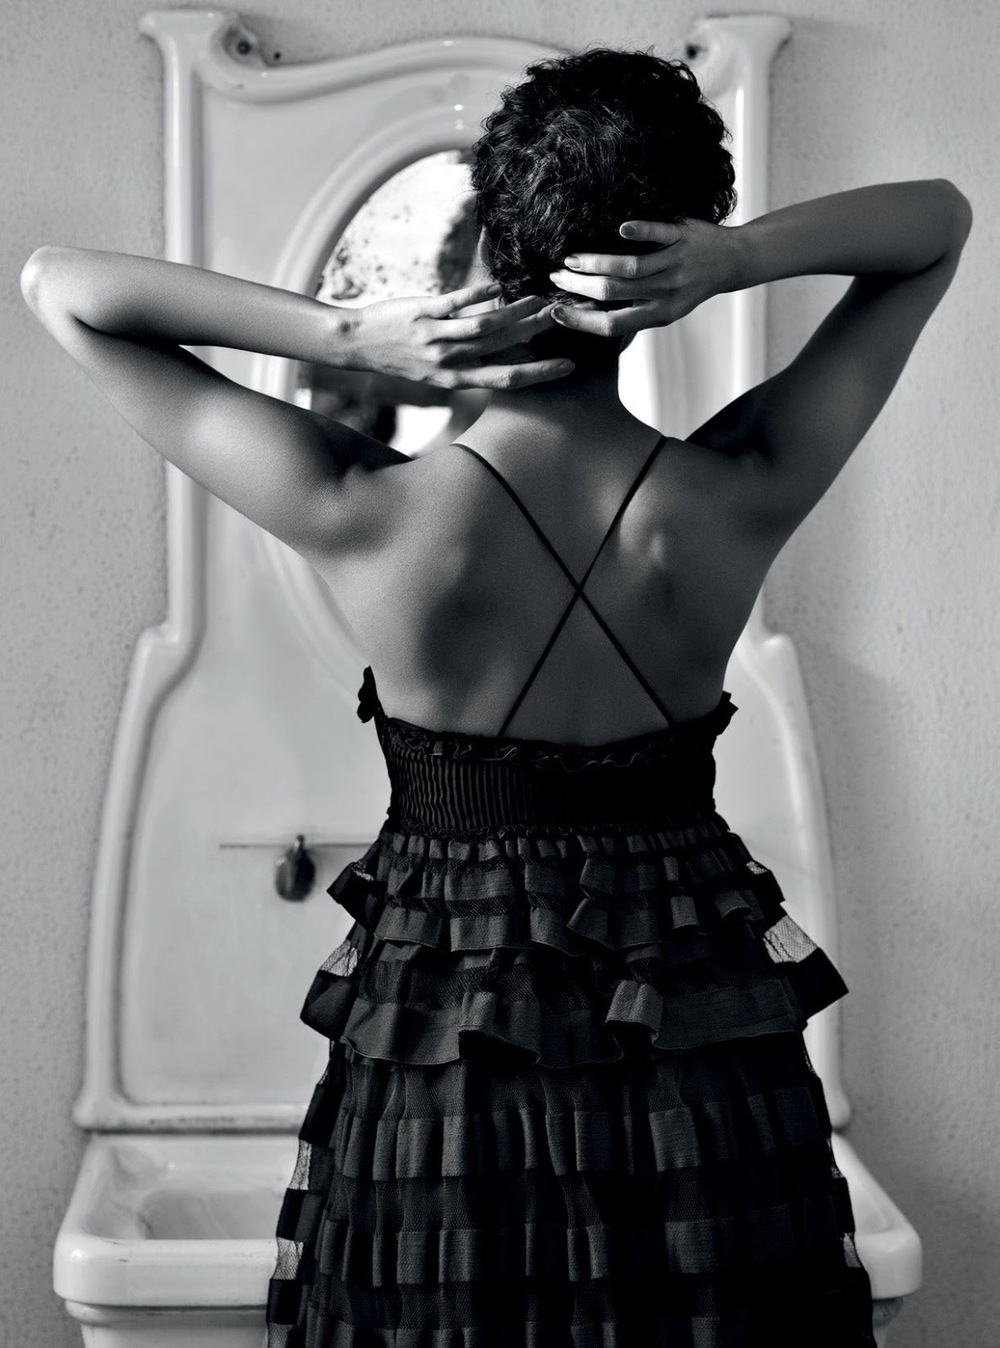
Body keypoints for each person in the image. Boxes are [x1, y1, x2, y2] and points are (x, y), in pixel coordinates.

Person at [22, 44, 971, 1348]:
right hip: (702, 1064)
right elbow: (936, 225)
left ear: (491, 242)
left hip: (450, 1075)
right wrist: (739, 260)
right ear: (672, 269)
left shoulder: (365, 509)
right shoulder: (743, 486)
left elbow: (62, 289)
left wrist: (347, 333)